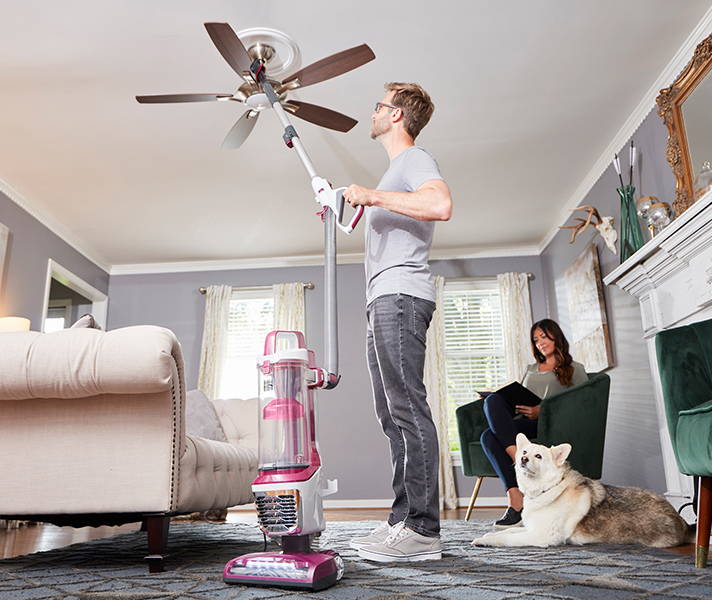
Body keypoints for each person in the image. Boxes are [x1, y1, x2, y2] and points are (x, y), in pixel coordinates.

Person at [342, 82, 452, 562]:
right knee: (392, 416)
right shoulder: (394, 173)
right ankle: (402, 523)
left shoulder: (415, 160)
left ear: (398, 116)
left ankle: (423, 533)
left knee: (407, 408)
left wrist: (374, 195)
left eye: (379, 105)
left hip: (401, 295)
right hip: (381, 298)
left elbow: (440, 205)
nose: (373, 111)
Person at [480, 319, 588, 528]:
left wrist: (542, 410)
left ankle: (518, 474)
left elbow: (581, 405)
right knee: (491, 406)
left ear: (556, 336)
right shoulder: (531, 369)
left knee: (489, 435)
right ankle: (516, 494)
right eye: (536, 339)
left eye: (544, 337)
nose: (540, 342)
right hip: (524, 424)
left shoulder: (575, 369)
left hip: (551, 425)